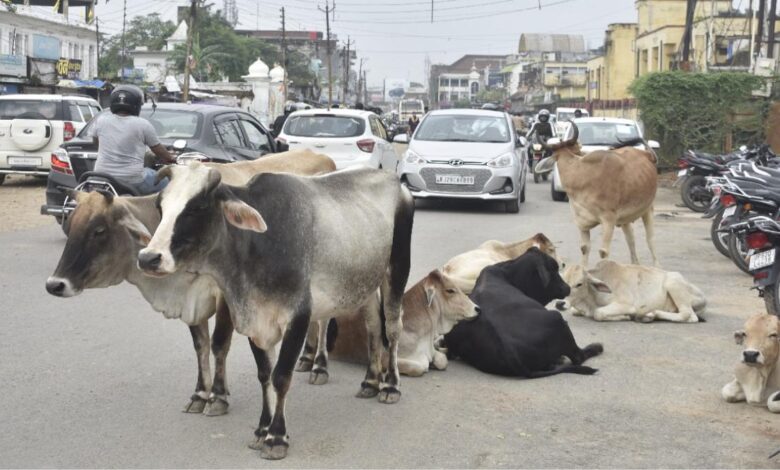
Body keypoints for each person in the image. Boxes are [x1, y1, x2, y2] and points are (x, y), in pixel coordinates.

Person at [91, 84, 175, 195]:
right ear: (136, 105)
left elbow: (96, 143)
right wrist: (172, 159)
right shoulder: (143, 124)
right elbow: (161, 153)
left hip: (101, 177)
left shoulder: (101, 121)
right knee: (169, 182)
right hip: (133, 180)